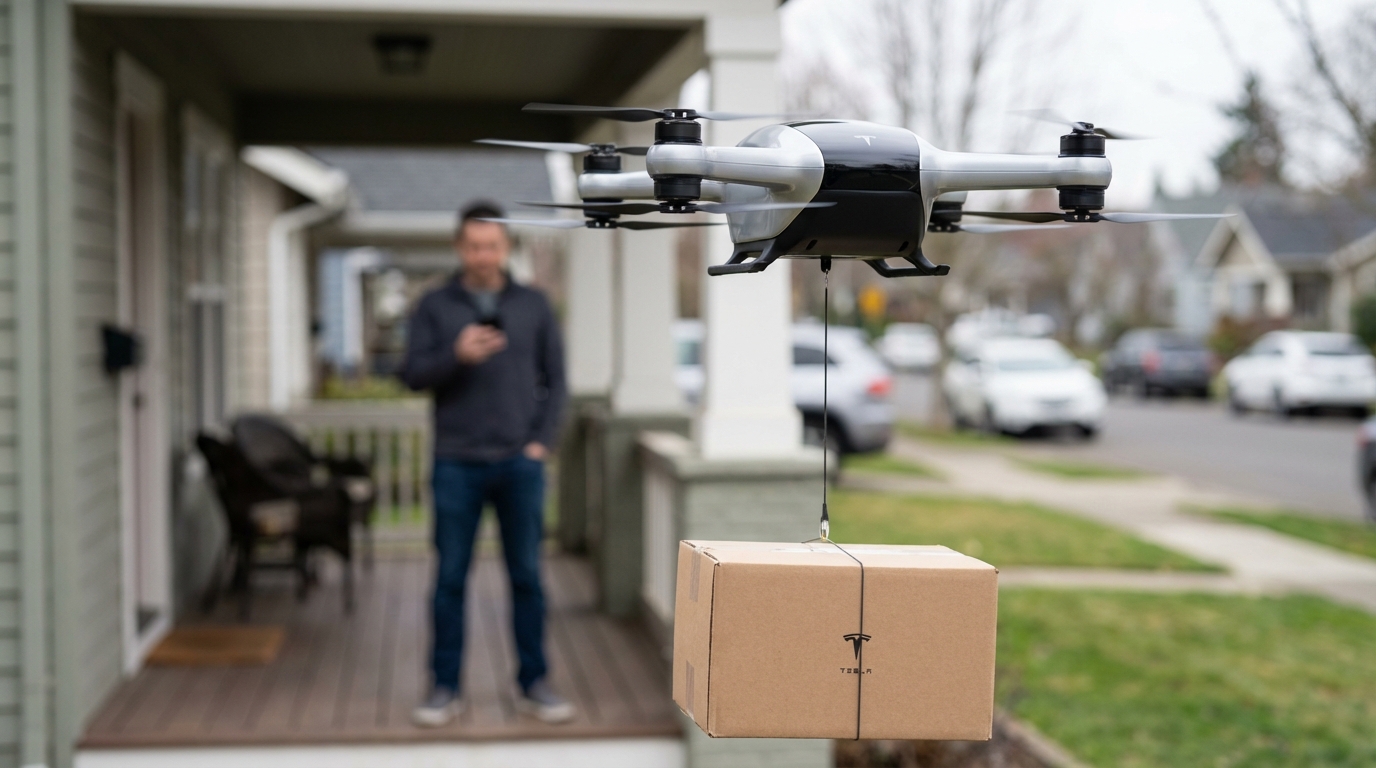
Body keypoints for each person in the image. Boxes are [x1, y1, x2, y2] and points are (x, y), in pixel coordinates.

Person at [402, 201, 572, 727]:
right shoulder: (434, 305)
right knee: (450, 579)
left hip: (520, 463)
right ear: (460, 247)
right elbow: (411, 375)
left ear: (506, 248)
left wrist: (540, 444)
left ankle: (533, 683)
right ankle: (444, 687)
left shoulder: (534, 304)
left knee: (527, 578)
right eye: (474, 246)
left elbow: (557, 381)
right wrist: (456, 355)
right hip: (456, 463)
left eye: (492, 246)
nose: (483, 255)